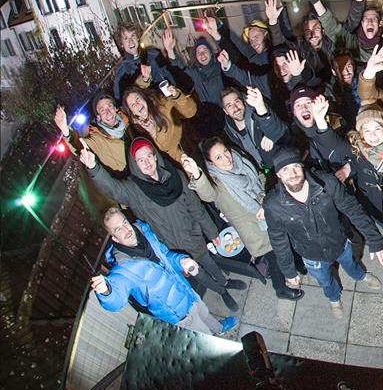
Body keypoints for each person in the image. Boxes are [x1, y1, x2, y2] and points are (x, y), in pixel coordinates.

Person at [79, 138, 243, 311]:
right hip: (171, 247)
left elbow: (195, 207)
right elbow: (113, 189)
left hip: (192, 236)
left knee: (208, 261)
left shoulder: (176, 176)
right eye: (140, 160)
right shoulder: (134, 190)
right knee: (198, 273)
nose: (146, 162)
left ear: (155, 156)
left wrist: (211, 231)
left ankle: (225, 282)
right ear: (135, 164)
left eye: (148, 156)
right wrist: (94, 168)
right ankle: (222, 291)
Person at [263, 147, 383, 318]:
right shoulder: (273, 205)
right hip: (312, 256)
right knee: (325, 281)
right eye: (285, 170)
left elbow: (352, 208)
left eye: (296, 166)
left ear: (302, 166)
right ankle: (334, 298)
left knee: (351, 264)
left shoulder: (326, 183)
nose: (293, 173)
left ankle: (361, 276)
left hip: (339, 243)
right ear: (278, 175)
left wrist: (374, 238)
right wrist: (288, 272)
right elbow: (278, 241)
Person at [309, 94, 383, 271]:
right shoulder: (356, 149)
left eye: (377, 129)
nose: (373, 135)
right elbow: (332, 143)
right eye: (367, 130)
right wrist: (320, 121)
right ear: (360, 133)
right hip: (373, 202)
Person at [182, 142, 304, 301]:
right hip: (252, 227)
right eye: (218, 157)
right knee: (273, 256)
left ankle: (298, 264)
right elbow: (207, 194)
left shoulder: (240, 160)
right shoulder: (214, 180)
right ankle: (280, 288)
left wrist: (265, 199)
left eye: (225, 151)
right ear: (210, 163)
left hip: (267, 209)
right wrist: (197, 175)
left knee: (286, 240)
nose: (227, 158)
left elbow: (260, 176)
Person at [92, 207, 237, 336]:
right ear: (115, 238)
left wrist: (181, 261)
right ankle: (214, 339)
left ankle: (218, 328)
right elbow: (116, 299)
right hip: (176, 310)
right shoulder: (123, 266)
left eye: (124, 223)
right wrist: (106, 291)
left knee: (203, 311)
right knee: (204, 335)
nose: (126, 230)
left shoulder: (142, 231)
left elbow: (164, 254)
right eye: (118, 229)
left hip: (184, 287)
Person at [160, 28, 225, 140]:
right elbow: (180, 67)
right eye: (198, 52)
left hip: (227, 112)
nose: (202, 54)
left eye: (205, 50)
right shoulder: (196, 73)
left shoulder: (220, 67)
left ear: (211, 52)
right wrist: (170, 50)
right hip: (210, 120)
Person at [122, 73, 197, 161]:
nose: (137, 104)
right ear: (132, 112)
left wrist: (177, 96)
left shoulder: (162, 105)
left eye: (138, 99)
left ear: (144, 98)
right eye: (133, 105)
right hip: (177, 162)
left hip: (191, 144)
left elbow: (191, 112)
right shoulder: (139, 131)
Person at [220, 86, 289, 172]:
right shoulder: (228, 134)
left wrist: (272, 134)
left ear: (243, 101)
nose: (235, 108)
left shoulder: (259, 112)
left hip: (282, 167)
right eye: (229, 106)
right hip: (260, 174)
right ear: (225, 111)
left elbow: (284, 129)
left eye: (237, 101)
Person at [55, 95, 128, 173]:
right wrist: (66, 131)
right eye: (102, 110)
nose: (108, 112)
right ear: (98, 117)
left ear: (115, 108)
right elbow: (80, 146)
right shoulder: (98, 139)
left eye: (109, 106)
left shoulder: (129, 119)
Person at [111, 22, 174, 100]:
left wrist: (170, 51)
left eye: (133, 35)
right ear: (121, 44)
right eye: (126, 38)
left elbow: (171, 72)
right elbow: (121, 98)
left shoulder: (154, 53)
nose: (131, 41)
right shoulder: (122, 70)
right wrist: (143, 80)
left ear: (138, 38)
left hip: (173, 98)